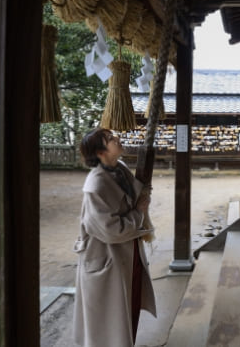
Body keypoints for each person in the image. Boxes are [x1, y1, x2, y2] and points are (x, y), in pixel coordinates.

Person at [73, 127, 156, 347]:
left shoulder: (119, 168)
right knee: (108, 323)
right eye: (110, 139)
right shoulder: (96, 185)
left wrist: (143, 194)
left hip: (127, 256)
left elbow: (136, 196)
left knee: (130, 307)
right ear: (100, 153)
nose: (117, 138)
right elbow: (112, 230)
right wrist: (139, 212)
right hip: (107, 258)